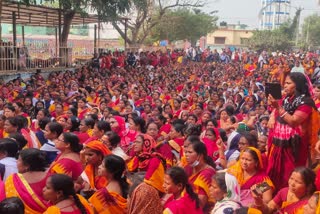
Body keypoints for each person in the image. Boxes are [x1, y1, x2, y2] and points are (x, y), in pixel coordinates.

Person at [267, 72, 319, 191]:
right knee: (274, 172)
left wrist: (278, 108)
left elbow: (294, 121)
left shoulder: (306, 102)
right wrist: (273, 115)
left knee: (291, 175)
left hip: (294, 147)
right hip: (278, 144)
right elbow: (276, 112)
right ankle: (273, 196)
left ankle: (289, 198)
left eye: (288, 83)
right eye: (284, 83)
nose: (284, 86)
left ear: (298, 85)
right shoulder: (286, 99)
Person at [252, 167, 316, 214]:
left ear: (309, 186)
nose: (292, 183)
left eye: (298, 182)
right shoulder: (284, 192)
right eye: (291, 178)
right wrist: (258, 201)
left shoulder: (310, 203)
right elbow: (268, 210)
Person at [5, 148, 48, 214]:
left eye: (19, 160)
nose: (16, 161)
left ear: (27, 166)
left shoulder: (13, 178)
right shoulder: (52, 178)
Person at [184, 140, 216, 211]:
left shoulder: (207, 173)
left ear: (200, 156)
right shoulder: (188, 168)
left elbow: (200, 205)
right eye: (186, 152)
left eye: (190, 152)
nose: (186, 155)